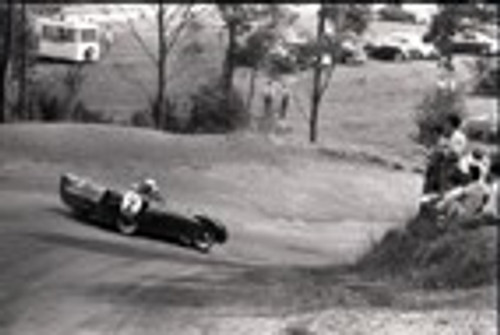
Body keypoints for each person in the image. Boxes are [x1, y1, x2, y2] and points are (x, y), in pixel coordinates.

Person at [434, 164, 491, 230]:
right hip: (474, 212)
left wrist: (443, 202)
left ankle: (443, 223)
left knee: (451, 202)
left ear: (471, 175)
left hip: (466, 214)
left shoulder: (471, 187)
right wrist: (480, 207)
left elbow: (457, 196)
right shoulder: (482, 187)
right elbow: (486, 198)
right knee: (452, 201)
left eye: (468, 174)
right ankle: (442, 217)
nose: (466, 176)